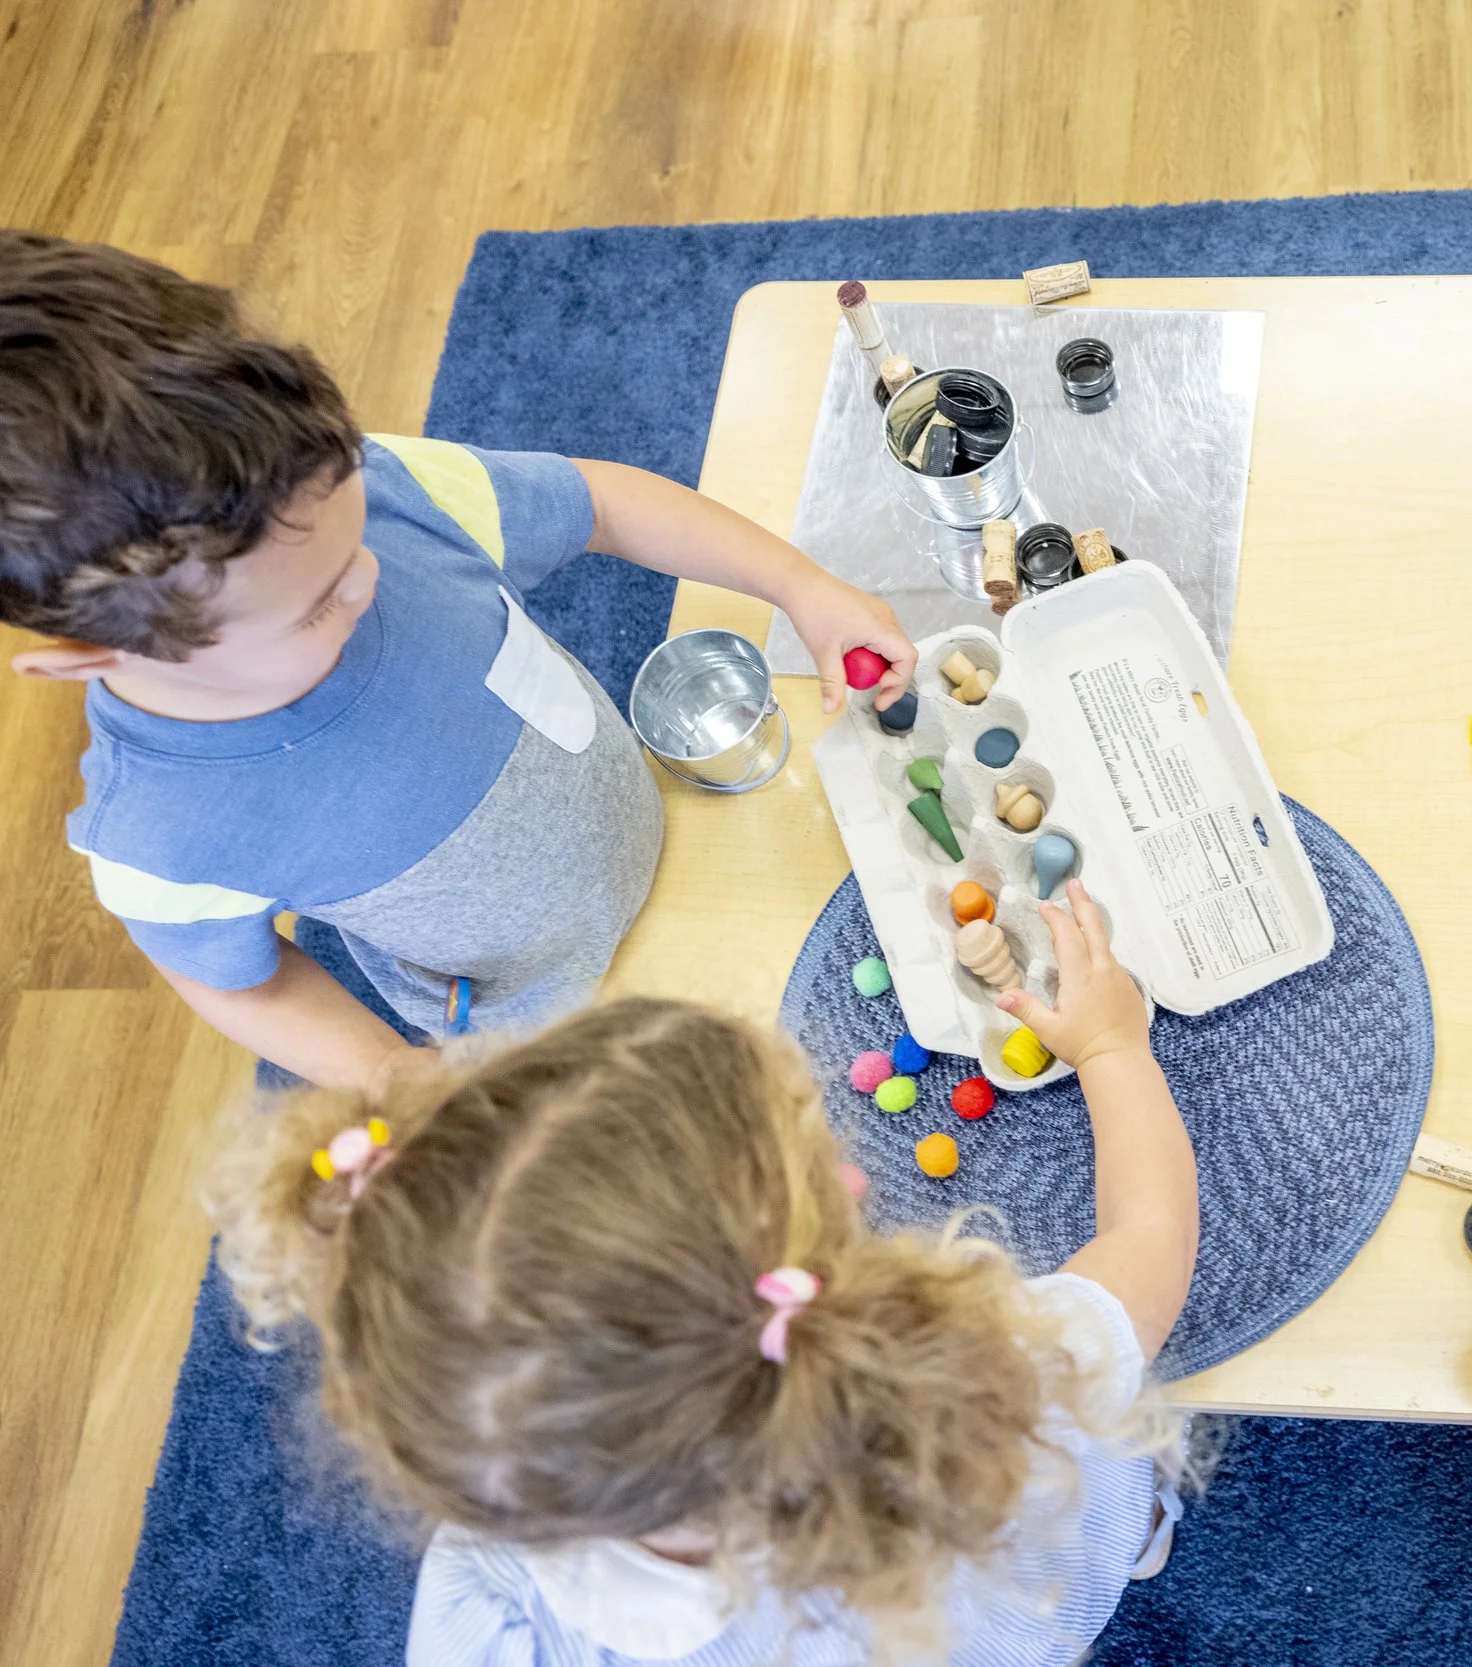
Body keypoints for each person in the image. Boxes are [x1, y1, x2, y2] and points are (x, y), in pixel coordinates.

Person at [0, 232, 916, 1092]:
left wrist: (802, 587)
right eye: (316, 604)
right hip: (534, 1022)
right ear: (86, 657)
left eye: (357, 531)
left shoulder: (377, 489)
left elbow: (597, 503)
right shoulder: (159, 834)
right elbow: (238, 982)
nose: (368, 579)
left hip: (643, 818)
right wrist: (396, 1079)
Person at [207, 877, 1198, 1666]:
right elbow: (1151, 1236)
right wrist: (1112, 1042)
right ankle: (1143, 1531)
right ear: (817, 1232)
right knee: (1109, 1486)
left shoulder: (487, 1615)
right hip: (1029, 1585)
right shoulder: (1012, 1388)